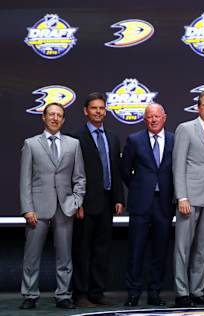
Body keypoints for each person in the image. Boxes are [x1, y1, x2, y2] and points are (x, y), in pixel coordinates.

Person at [19, 102, 86, 310]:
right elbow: (25, 180)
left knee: (65, 255)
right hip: (37, 209)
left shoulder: (73, 144)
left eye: (59, 115)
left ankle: (63, 295)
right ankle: (30, 295)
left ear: (63, 119)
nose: (55, 118)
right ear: (44, 117)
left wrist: (76, 201)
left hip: (65, 207)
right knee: (32, 255)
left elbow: (80, 178)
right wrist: (27, 208)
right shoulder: (31, 144)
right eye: (51, 114)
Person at [72, 92, 125, 307]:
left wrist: (118, 198)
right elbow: (71, 174)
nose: (98, 111)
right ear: (86, 111)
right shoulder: (76, 138)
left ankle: (97, 292)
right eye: (94, 108)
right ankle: (80, 294)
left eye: (102, 108)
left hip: (106, 201)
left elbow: (116, 170)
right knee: (82, 250)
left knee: (102, 249)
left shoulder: (112, 138)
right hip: (85, 203)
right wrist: (77, 203)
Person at [120, 103, 175, 307]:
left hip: (164, 203)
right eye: (149, 117)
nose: (153, 120)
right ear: (145, 119)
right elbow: (125, 170)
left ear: (164, 118)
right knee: (136, 250)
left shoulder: (174, 140)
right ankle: (133, 293)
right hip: (141, 203)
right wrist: (138, 188)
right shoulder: (134, 140)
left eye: (157, 116)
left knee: (160, 251)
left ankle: (154, 293)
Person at [173, 91, 204, 307]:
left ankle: (197, 291)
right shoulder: (185, 129)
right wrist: (181, 196)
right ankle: (182, 292)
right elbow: (178, 165)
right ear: (198, 107)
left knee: (203, 248)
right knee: (183, 247)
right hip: (189, 198)